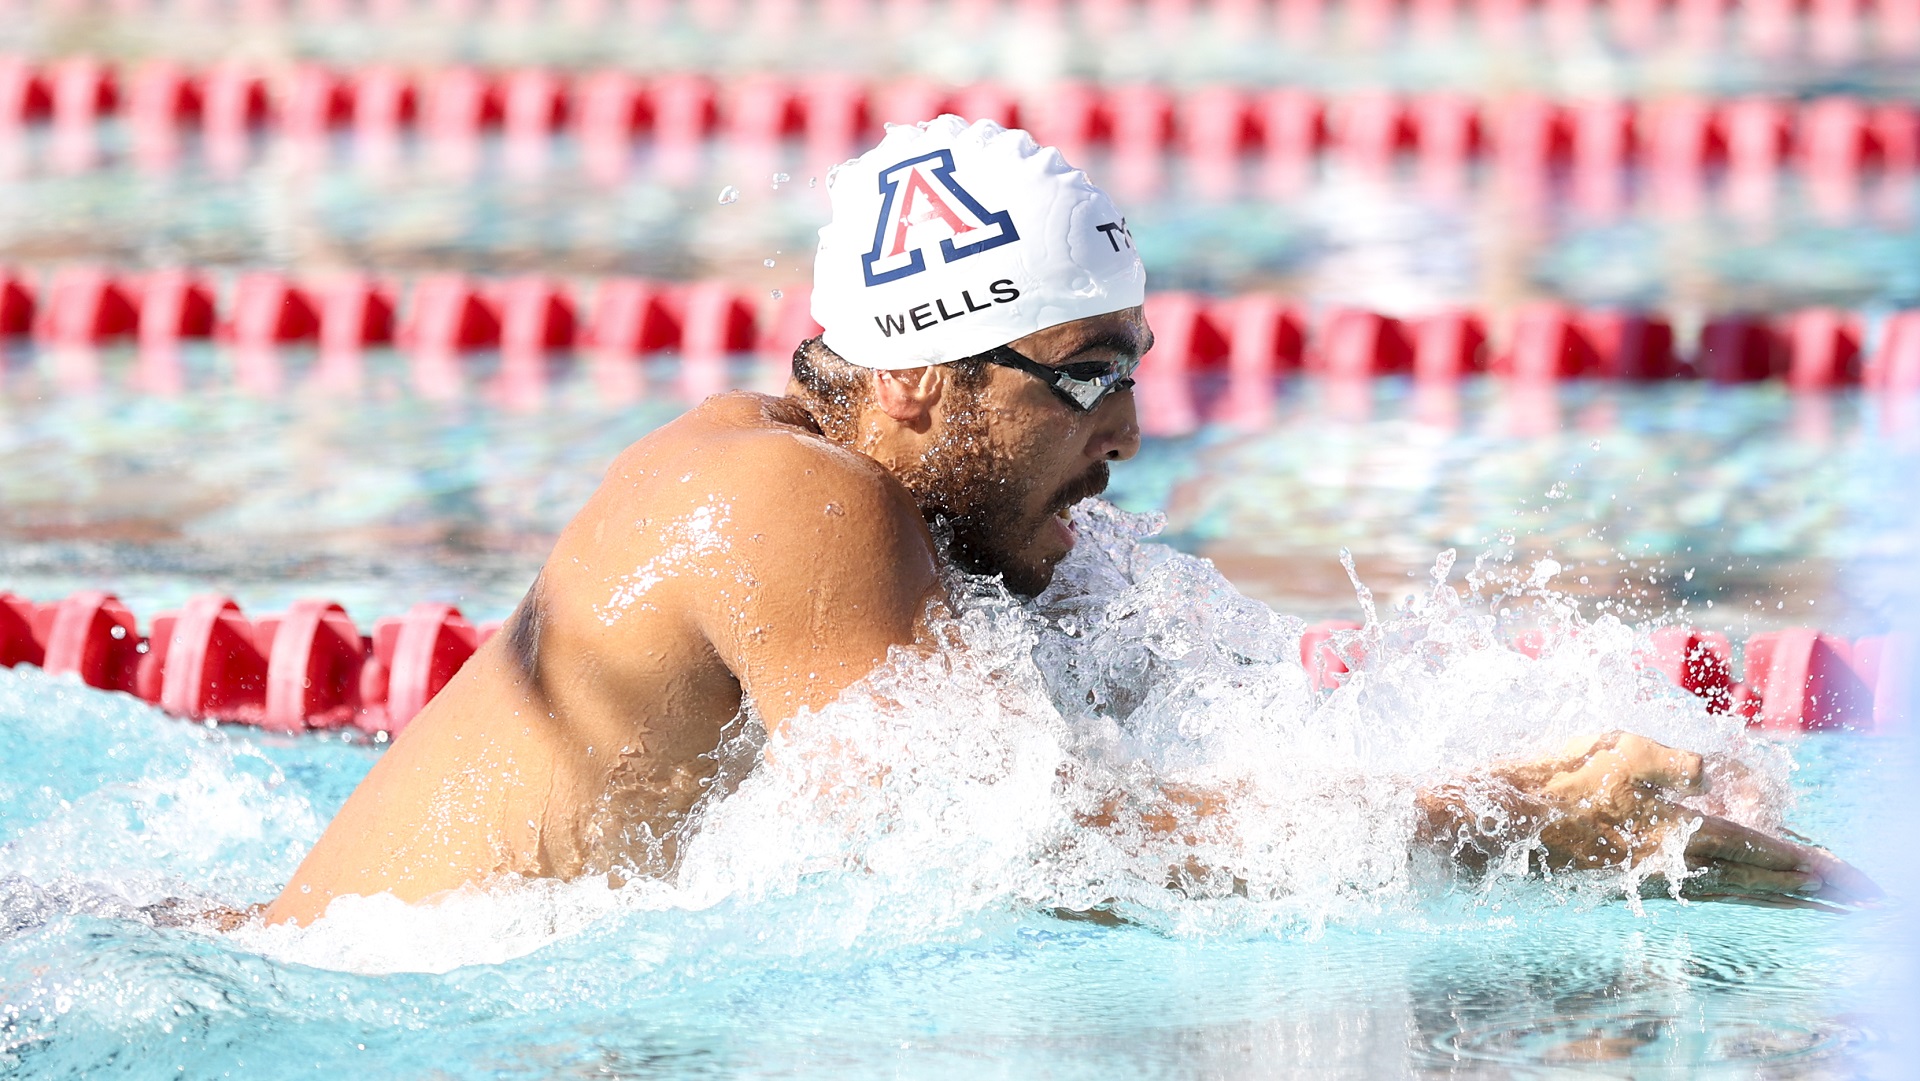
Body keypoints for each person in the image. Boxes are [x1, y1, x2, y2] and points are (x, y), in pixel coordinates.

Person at [263, 117, 1873, 927]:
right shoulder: (782, 500)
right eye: (1083, 373)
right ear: (915, 383)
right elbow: (1023, 851)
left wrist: (1577, 767)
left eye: (1134, 364)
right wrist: (1504, 818)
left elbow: (1220, 744)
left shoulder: (961, 524)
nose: (1129, 427)